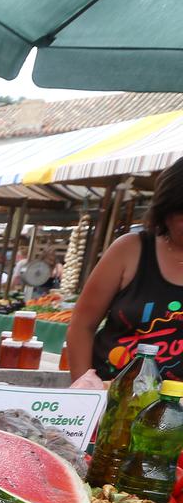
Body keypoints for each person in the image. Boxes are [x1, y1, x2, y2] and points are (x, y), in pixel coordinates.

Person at [69, 157, 183, 382]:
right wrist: (83, 387)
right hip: (113, 397)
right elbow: (82, 325)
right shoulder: (130, 250)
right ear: (166, 211)